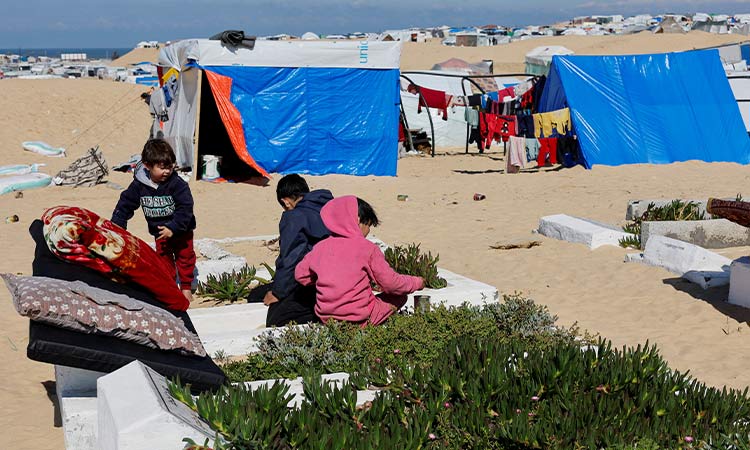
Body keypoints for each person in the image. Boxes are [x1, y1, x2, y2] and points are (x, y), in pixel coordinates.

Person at [295, 196, 424, 326]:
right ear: (357, 220)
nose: (368, 231)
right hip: (360, 320)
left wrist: (327, 280)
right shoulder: (368, 248)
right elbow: (391, 284)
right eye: (367, 224)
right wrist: (417, 282)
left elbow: (301, 275)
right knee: (399, 296)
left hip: (326, 319)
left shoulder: (320, 247)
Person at [111, 139, 197, 302]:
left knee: (185, 258)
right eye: (162, 167)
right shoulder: (139, 185)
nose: (167, 171)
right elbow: (126, 204)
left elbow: (185, 208)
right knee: (164, 262)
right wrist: (118, 224)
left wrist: (173, 227)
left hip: (182, 231)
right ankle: (170, 288)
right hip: (160, 234)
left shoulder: (178, 185)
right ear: (147, 165)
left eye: (170, 166)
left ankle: (186, 288)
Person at [254, 174, 333, 327]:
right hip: (339, 278)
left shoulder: (294, 217)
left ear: (286, 201)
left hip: (314, 282)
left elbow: (291, 258)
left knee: (276, 318)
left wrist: (278, 293)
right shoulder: (329, 206)